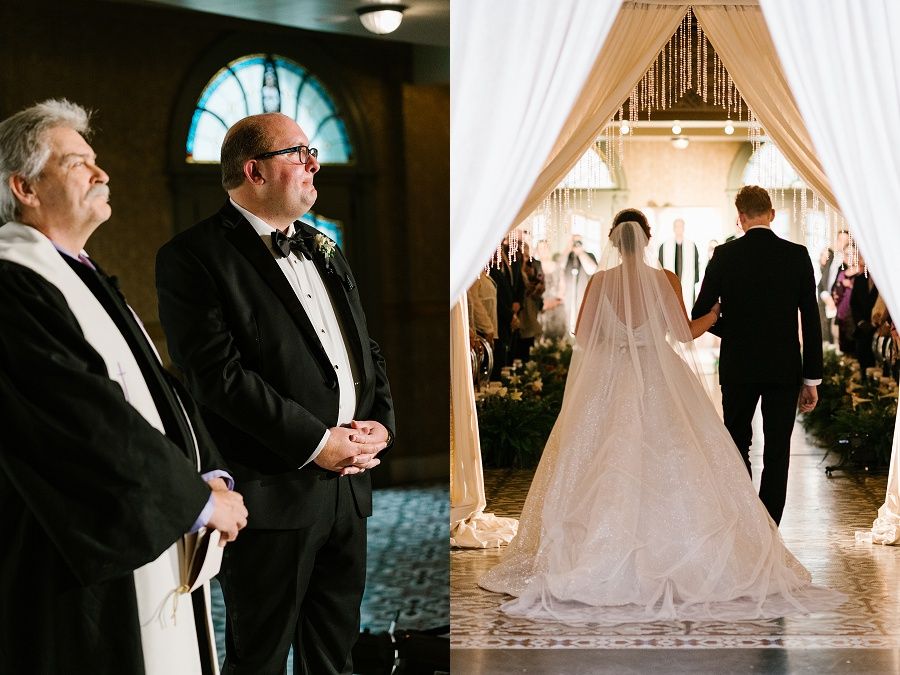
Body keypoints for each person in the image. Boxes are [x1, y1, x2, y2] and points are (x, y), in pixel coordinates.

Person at [479, 209, 842, 622]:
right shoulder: (665, 279)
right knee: (679, 456)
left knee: (602, 458)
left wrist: (619, 342)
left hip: (609, 382)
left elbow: (583, 333)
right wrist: (716, 314)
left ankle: (597, 550)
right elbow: (685, 332)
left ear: (615, 240)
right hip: (659, 377)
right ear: (648, 238)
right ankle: (685, 549)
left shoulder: (600, 281)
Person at [0, 99, 247, 673]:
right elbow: (81, 419)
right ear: (25, 188)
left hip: (157, 530)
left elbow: (158, 391)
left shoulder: (78, 272)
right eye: (77, 163)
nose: (102, 173)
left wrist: (207, 470)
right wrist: (196, 502)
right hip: (72, 569)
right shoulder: (16, 283)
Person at [156, 111, 395, 675]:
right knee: (259, 658)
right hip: (272, 492)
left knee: (333, 655)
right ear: (253, 170)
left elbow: (364, 348)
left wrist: (380, 421)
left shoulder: (322, 245)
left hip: (349, 490)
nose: (314, 163)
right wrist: (317, 443)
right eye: (298, 152)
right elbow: (217, 377)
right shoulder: (194, 256)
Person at [692, 185, 823, 526]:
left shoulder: (724, 255)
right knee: (778, 450)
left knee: (737, 444)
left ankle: (744, 522)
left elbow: (701, 313)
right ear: (772, 214)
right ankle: (768, 527)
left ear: (741, 219)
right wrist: (811, 379)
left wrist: (731, 328)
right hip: (784, 367)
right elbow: (811, 319)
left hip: (738, 366)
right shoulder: (796, 255)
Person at [513, 241, 544, 361]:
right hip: (523, 316)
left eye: (527, 255)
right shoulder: (517, 272)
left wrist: (537, 289)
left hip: (530, 312)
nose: (525, 258)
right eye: (523, 255)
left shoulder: (531, 270)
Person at [817, 230, 850, 345]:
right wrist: (825, 296)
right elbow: (822, 282)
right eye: (840, 240)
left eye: (846, 242)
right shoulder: (830, 258)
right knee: (825, 339)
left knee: (838, 340)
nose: (842, 244)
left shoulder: (848, 265)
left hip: (839, 308)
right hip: (824, 305)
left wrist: (833, 300)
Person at [658, 217, 700, 305]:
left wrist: (694, 281)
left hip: (687, 284)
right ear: (673, 228)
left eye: (680, 226)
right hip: (669, 284)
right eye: (676, 226)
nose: (679, 229)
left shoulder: (692, 246)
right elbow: (660, 266)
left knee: (687, 306)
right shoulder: (664, 246)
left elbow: (696, 265)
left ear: (684, 228)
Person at [563, 236, 597, 333]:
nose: (576, 244)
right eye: (574, 241)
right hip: (568, 297)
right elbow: (558, 268)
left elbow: (592, 270)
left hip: (583, 297)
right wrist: (567, 249)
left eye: (578, 241)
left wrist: (581, 253)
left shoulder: (589, 255)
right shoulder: (567, 256)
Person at [535, 240, 567, 340]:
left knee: (557, 337)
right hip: (540, 307)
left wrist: (555, 301)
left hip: (556, 306)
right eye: (541, 248)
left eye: (545, 247)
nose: (543, 250)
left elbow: (562, 287)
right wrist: (543, 304)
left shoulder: (557, 267)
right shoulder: (535, 267)